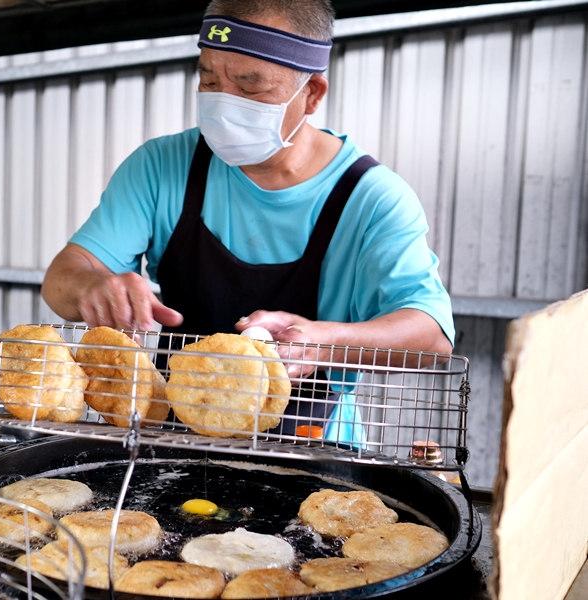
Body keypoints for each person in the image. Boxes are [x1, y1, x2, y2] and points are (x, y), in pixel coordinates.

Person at [41, 0, 454, 442]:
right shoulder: (162, 166)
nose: (222, 103)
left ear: (312, 94)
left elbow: (432, 337)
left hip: (314, 445)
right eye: (209, 78)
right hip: (171, 435)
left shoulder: (371, 197)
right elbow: (61, 280)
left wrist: (322, 340)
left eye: (250, 87)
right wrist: (92, 287)